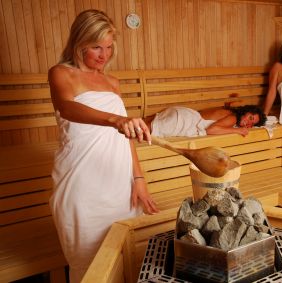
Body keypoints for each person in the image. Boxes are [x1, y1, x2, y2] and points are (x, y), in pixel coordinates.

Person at [48, 9, 159, 282]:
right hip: (83, 183)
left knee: (127, 256)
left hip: (118, 182)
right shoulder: (62, 73)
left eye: (108, 47)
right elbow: (68, 108)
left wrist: (139, 178)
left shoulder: (112, 82)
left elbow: (126, 135)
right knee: (89, 263)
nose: (104, 55)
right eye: (96, 47)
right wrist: (115, 119)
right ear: (79, 43)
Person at [144, 105, 267, 137]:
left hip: (182, 114)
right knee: (138, 130)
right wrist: (238, 130)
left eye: (252, 123)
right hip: (183, 122)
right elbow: (211, 129)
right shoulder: (233, 117)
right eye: (250, 118)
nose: (248, 123)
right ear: (246, 111)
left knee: (139, 124)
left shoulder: (229, 113)